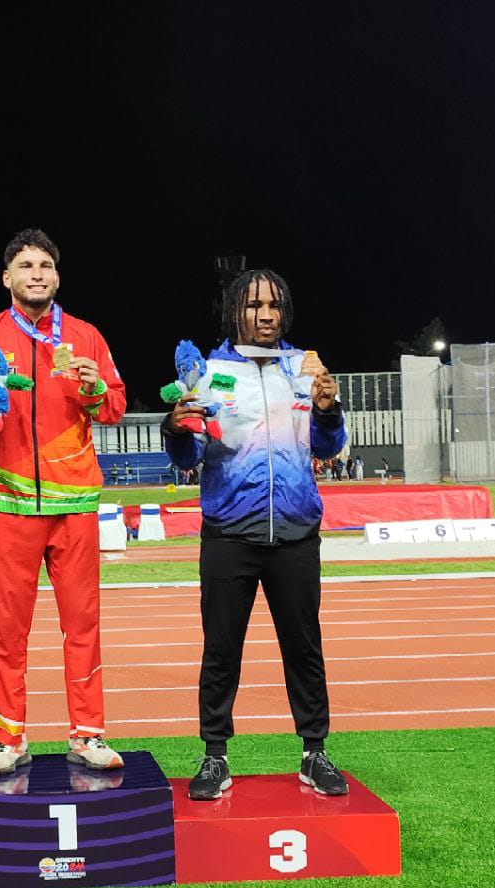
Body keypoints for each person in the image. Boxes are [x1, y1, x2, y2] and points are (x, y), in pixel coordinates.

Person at [0, 228, 126, 774]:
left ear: (57, 275)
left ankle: (87, 734)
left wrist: (94, 388)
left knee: (83, 625)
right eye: (26, 265)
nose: (37, 273)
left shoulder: (86, 337)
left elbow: (113, 405)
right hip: (6, 504)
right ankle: (9, 738)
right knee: (7, 629)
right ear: (8, 277)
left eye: (45, 265)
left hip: (73, 505)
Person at [163, 268, 350, 800]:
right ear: (233, 312)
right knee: (221, 651)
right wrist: (174, 428)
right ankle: (214, 758)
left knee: (304, 648)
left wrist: (327, 409)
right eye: (252, 305)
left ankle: (315, 753)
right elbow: (188, 454)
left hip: (294, 533)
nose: (264, 314)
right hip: (228, 533)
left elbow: (327, 447)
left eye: (273, 304)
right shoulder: (209, 369)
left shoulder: (304, 366)